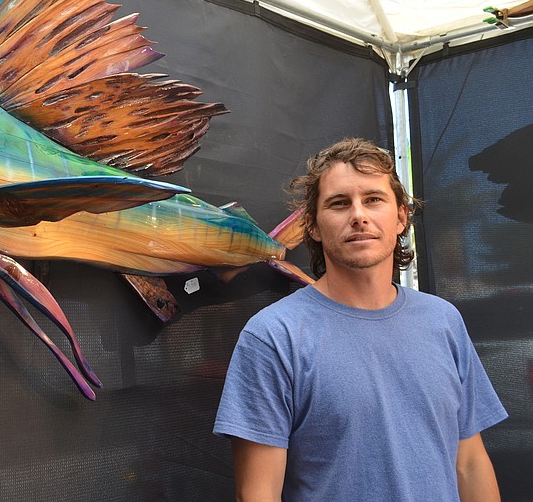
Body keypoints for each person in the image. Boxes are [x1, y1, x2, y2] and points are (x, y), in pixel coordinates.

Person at [213, 138, 507, 501]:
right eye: (339, 203)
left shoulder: (443, 321)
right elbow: (258, 494)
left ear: (401, 217)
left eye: (373, 199)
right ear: (313, 226)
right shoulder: (274, 335)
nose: (358, 215)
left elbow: (470, 463)